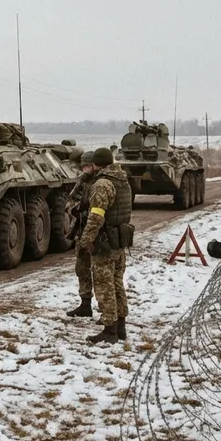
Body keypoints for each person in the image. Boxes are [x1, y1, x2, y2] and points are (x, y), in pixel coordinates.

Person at [77, 147, 133, 344]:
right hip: (119, 239)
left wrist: (87, 240)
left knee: (104, 286)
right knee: (117, 284)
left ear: (95, 164)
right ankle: (121, 326)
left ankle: (110, 330)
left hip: (104, 242)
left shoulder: (102, 183)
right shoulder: (122, 180)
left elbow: (96, 215)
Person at [66, 151, 98, 318]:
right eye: (83, 166)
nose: (85, 169)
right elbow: (71, 199)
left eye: (88, 166)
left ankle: (107, 310)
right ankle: (85, 304)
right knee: (82, 268)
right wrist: (74, 209)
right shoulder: (83, 181)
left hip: (98, 233)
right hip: (82, 229)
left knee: (100, 272)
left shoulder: (102, 182)